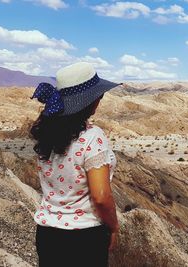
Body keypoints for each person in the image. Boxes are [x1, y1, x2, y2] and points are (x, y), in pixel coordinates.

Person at [29, 62, 122, 266]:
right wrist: (113, 226)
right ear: (91, 101)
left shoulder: (47, 135)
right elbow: (100, 197)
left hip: (47, 235)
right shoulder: (92, 137)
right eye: (100, 95)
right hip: (84, 238)